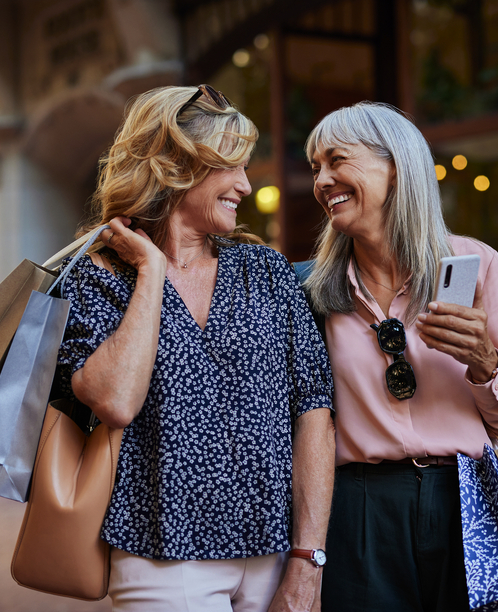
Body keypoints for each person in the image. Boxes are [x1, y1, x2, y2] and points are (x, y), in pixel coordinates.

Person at [55, 85, 336, 612]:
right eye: (233, 168)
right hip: (162, 554)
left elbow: (314, 416)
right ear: (177, 166)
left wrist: (308, 559)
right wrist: (152, 274)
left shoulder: (265, 271)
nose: (248, 187)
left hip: (274, 555)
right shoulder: (97, 278)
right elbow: (114, 401)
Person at [300, 102, 498, 611]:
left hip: (467, 502)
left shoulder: (474, 263)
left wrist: (485, 364)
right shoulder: (312, 291)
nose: (322, 180)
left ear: (396, 166)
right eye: (316, 167)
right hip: (360, 508)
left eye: (337, 160)